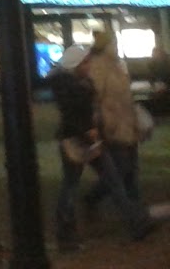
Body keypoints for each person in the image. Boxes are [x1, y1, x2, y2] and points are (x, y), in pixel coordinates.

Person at [50, 42, 151, 249]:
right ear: (75, 65)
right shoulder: (68, 85)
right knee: (73, 186)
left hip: (89, 139)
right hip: (76, 140)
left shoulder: (79, 82)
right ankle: (65, 231)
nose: (89, 65)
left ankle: (135, 222)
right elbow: (72, 115)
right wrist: (87, 130)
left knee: (111, 180)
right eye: (85, 62)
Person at [82, 29, 152, 219]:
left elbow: (126, 97)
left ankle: (136, 213)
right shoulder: (98, 67)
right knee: (120, 170)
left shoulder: (117, 65)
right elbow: (94, 99)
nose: (116, 46)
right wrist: (104, 123)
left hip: (127, 124)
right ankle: (93, 198)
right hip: (112, 126)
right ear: (106, 46)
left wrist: (135, 122)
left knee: (131, 171)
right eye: (113, 43)